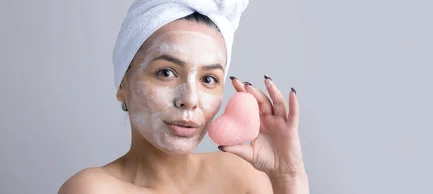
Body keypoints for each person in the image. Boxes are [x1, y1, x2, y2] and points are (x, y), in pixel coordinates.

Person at [58, 0, 309, 193]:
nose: (189, 99)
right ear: (123, 83)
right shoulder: (93, 189)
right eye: (166, 72)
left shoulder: (243, 179)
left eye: (208, 79)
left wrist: (289, 176)